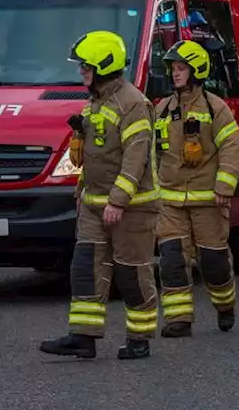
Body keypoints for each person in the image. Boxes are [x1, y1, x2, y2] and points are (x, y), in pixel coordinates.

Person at [40, 30, 161, 360]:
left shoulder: (133, 104)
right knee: (85, 269)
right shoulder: (96, 102)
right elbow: (96, 156)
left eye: (86, 66)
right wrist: (82, 190)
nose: (81, 72)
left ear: (104, 67)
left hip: (132, 209)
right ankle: (83, 336)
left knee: (132, 273)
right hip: (94, 205)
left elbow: (136, 157)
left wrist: (118, 201)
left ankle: (139, 339)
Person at [153, 40, 239, 337]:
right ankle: (179, 319)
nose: (175, 74)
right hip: (170, 201)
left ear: (196, 71)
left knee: (213, 262)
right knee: (172, 260)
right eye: (173, 69)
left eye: (181, 68)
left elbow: (232, 146)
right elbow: (152, 152)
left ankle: (225, 304)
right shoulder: (163, 109)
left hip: (208, 201)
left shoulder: (215, 108)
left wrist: (224, 186)